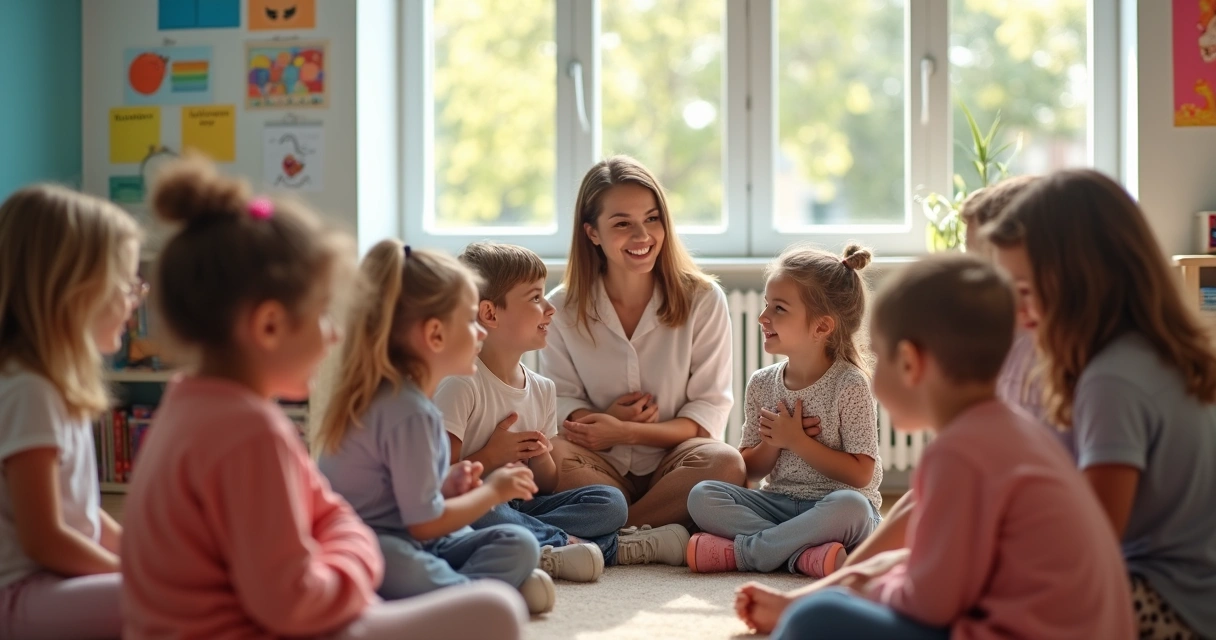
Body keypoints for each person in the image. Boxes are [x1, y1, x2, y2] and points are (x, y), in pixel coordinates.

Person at [120, 158, 528, 639]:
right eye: (322, 315)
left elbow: (326, 508)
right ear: (270, 326)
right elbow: (295, 602)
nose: (334, 336)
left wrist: (342, 540)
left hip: (268, 610)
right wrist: (359, 555)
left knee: (491, 578)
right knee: (497, 612)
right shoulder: (250, 433)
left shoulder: (191, 405)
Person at [735, 254, 1135, 640]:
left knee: (814, 620)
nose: (871, 376)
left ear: (910, 362)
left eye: (878, 356)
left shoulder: (957, 455)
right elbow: (931, 559)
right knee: (871, 575)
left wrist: (862, 591)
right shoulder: (1007, 431)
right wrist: (856, 581)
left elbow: (930, 603)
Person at [987, 169, 1216, 639]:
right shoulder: (1147, 354)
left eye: (1025, 291)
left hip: (1165, 602)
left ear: (1081, 282)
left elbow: (1088, 545)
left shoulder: (1113, 379)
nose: (1018, 312)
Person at [316, 241, 554, 614]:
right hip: (372, 541)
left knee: (519, 542)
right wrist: (492, 492)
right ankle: (471, 598)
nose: (480, 333)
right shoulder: (407, 411)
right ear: (435, 336)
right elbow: (424, 524)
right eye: (470, 321)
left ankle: (463, 592)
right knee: (395, 559)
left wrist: (447, 484)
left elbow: (407, 494)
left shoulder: (415, 403)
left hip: (414, 537)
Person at [539, 156, 745, 557]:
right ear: (592, 232)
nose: (643, 235)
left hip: (674, 464)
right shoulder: (560, 307)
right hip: (598, 465)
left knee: (726, 462)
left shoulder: (703, 299)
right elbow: (558, 401)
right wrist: (598, 420)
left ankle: (615, 535)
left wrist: (626, 431)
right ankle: (653, 532)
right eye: (622, 223)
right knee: (547, 453)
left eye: (652, 219)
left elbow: (707, 413)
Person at [685, 244, 882, 577]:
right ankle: (801, 555)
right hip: (777, 504)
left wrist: (799, 441)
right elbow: (749, 470)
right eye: (766, 304)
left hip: (834, 505)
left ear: (822, 327)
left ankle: (751, 552)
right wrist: (773, 442)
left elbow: (861, 474)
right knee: (702, 496)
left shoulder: (849, 384)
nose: (763, 317)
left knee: (853, 508)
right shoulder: (762, 383)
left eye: (778, 308)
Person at [0, 185, 141, 639]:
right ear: (75, 291)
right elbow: (46, 539)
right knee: (173, 601)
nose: (134, 300)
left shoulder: (51, 386)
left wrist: (142, 556)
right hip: (19, 593)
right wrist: (136, 575)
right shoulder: (30, 390)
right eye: (126, 284)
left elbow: (83, 514)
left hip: (49, 582)